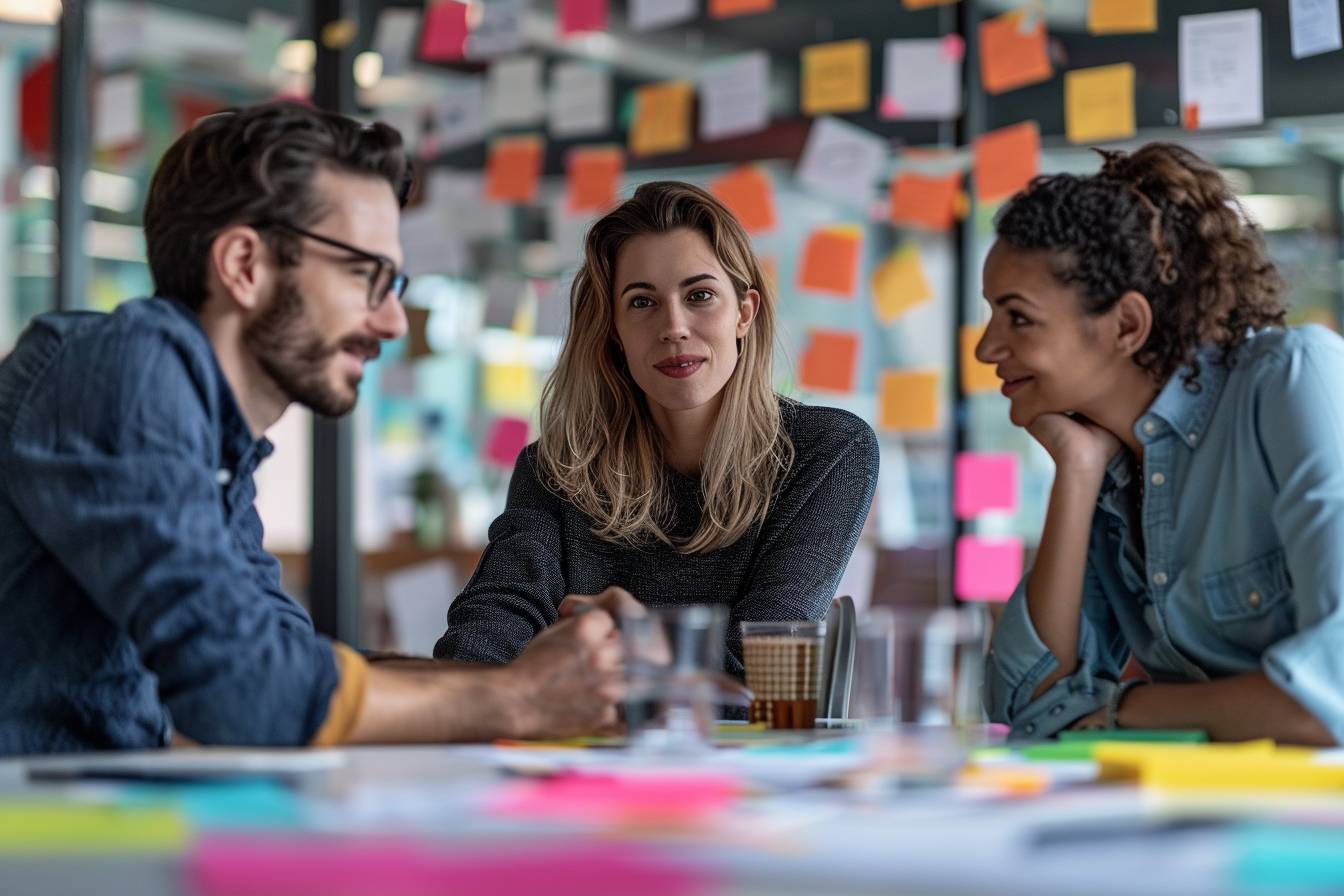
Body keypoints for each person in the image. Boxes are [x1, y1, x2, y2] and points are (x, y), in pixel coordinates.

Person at [0, 102, 622, 754]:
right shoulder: (125, 370)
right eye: (366, 276)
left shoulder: (214, 443)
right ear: (245, 265)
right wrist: (521, 698)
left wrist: (552, 678)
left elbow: (287, 661)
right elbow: (245, 693)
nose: (393, 322)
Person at [977, 142, 1343, 745]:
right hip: (1214, 799)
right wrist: (1077, 469)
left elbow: (1327, 700)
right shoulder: (1112, 462)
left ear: (1126, 325)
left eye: (1017, 318)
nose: (986, 348)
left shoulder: (1294, 379)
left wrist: (1121, 710)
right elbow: (1023, 705)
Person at [436, 181, 879, 677]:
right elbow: (488, 629)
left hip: (738, 753)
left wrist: (641, 640)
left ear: (744, 313)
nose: (674, 326)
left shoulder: (827, 451)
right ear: (615, 332)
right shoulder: (554, 469)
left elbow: (764, 666)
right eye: (642, 302)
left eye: (701, 295)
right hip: (581, 743)